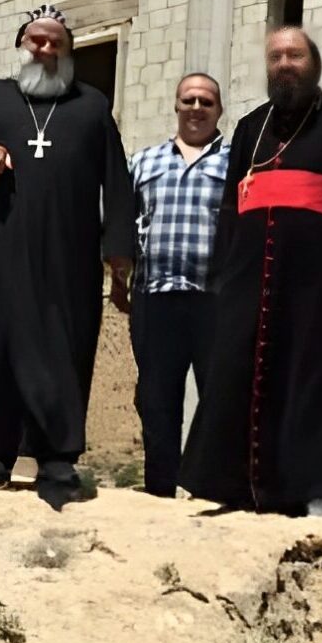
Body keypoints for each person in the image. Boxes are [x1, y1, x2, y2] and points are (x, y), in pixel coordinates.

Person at [179, 26, 322, 516]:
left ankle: (321, 489)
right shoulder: (251, 126)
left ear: (313, 63)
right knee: (240, 371)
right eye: (276, 57)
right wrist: (223, 267)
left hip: (317, 273)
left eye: (294, 55)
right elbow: (230, 203)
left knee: (316, 374)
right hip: (250, 273)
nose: (285, 64)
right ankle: (240, 487)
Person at [0, 4, 135, 502]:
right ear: (21, 45)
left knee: (63, 349)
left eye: (57, 42)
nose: (46, 48)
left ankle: (57, 459)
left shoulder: (91, 105)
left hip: (68, 250)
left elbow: (116, 177)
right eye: (37, 39)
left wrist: (119, 249)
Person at [128, 74, 228, 498]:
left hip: (216, 301)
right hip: (155, 297)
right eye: (189, 100)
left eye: (206, 101)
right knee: (156, 401)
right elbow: (123, 225)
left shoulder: (237, 163)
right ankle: (160, 491)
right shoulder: (143, 162)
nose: (196, 108)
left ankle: (214, 489)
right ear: (176, 106)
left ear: (219, 110)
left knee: (218, 398)